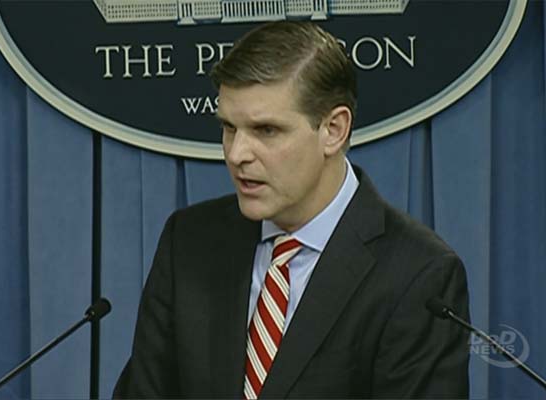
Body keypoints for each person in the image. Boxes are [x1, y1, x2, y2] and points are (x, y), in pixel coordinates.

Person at [113, 21, 469, 399]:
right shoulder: (188, 240)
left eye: (266, 130)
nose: (236, 154)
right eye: (229, 128)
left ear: (334, 129)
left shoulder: (418, 275)